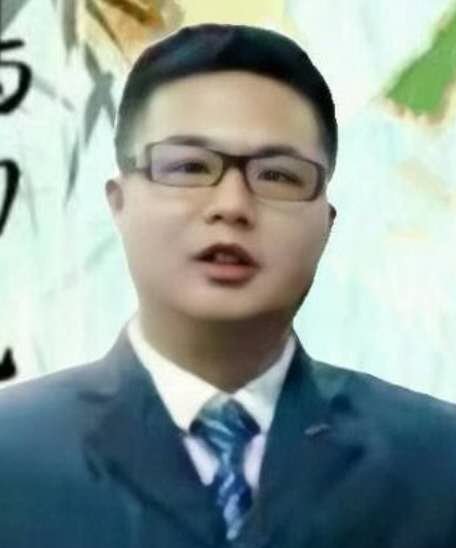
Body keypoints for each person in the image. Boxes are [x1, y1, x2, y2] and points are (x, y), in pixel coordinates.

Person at [1, 23, 455, 548]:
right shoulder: (12, 454)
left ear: (327, 222)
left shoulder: (438, 460)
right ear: (119, 204)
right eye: (189, 167)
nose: (232, 206)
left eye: (278, 175)